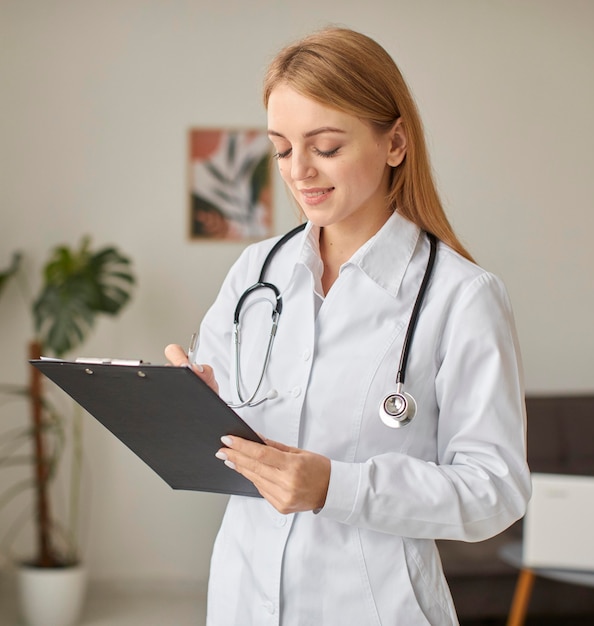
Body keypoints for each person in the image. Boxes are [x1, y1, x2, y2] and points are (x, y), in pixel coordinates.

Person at [166, 26, 531, 626]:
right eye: (282, 149)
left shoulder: (462, 297)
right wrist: (194, 408)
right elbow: (236, 434)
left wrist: (335, 487)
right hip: (241, 598)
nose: (299, 171)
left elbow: (496, 491)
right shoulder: (256, 271)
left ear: (395, 144)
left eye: (326, 147)